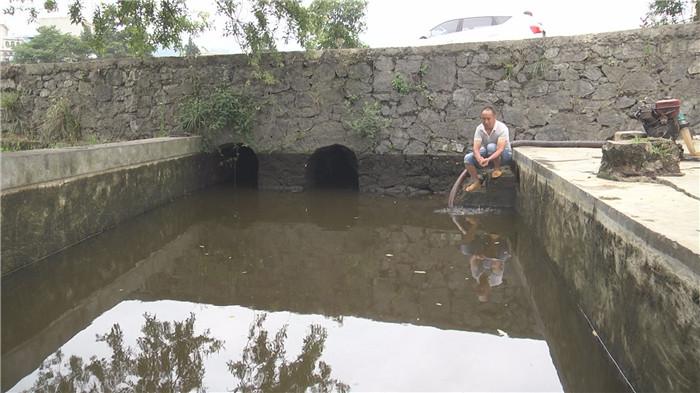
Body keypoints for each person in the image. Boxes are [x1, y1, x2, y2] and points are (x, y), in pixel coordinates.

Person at [463, 106, 513, 192]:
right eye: (483, 119)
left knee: (491, 147)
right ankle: (476, 181)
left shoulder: (502, 128)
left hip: (504, 155)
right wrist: (479, 158)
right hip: (488, 153)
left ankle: (497, 169)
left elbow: (500, 149)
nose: (486, 122)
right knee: (467, 158)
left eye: (488, 119)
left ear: (494, 117)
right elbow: (476, 148)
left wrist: (488, 159)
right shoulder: (479, 128)